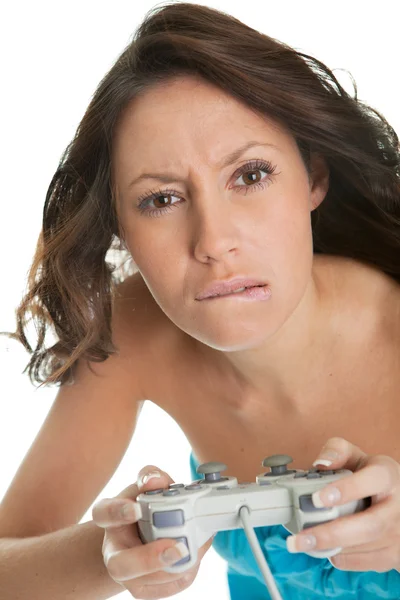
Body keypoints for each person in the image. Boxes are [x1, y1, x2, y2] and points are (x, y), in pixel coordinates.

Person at [0, 2, 399, 599]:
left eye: (251, 175)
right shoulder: (135, 331)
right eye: (160, 200)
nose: (213, 243)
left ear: (314, 178)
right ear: (119, 229)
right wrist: (109, 554)